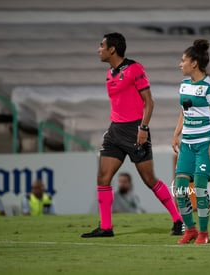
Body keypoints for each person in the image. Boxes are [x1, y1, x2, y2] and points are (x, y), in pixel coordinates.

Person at [81, 32, 183, 238]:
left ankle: (179, 221)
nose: (98, 49)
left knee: (149, 179)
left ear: (112, 49)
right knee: (103, 177)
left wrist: (143, 128)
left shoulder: (135, 69)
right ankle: (106, 227)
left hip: (135, 130)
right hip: (115, 131)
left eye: (101, 45)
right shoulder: (110, 72)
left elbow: (149, 101)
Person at [172, 39, 210, 245]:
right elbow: (184, 113)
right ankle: (190, 230)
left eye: (183, 60)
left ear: (194, 63)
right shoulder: (184, 85)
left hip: (204, 144)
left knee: (199, 188)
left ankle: (204, 233)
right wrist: (176, 134)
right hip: (187, 145)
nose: (180, 64)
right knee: (180, 189)